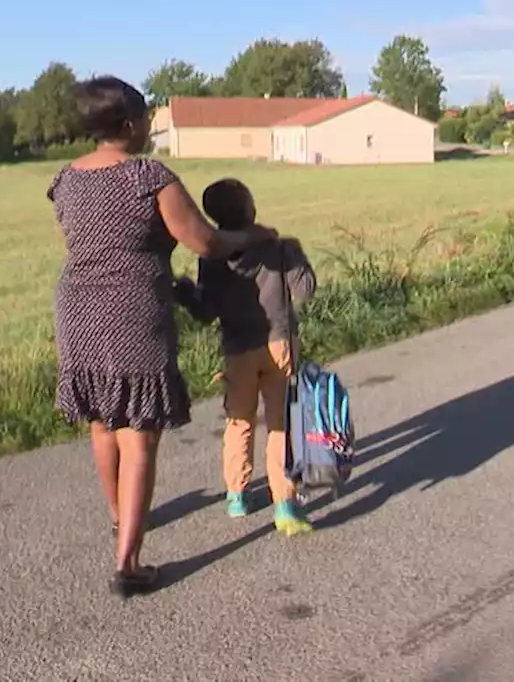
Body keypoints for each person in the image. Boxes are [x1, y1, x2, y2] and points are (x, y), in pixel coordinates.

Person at [46, 77, 270, 598]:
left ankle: (117, 515)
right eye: (146, 117)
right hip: (134, 307)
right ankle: (129, 563)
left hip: (78, 307)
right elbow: (207, 241)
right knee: (139, 431)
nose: (150, 125)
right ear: (128, 125)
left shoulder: (66, 179)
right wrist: (250, 237)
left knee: (103, 419)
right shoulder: (150, 177)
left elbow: (86, 238)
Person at [173, 178, 318, 536]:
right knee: (281, 421)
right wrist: (296, 256)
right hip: (279, 342)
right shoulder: (282, 248)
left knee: (239, 421)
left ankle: (237, 494)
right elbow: (305, 291)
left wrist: (186, 292)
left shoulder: (212, 260)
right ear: (250, 208)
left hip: (237, 350)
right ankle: (285, 501)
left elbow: (206, 312)